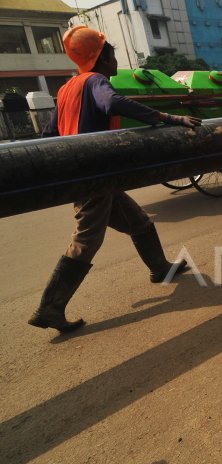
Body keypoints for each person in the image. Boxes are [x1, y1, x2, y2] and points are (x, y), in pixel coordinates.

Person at [31, 25, 200, 333]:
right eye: (111, 52)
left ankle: (160, 268)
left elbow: (49, 133)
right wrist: (167, 118)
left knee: (139, 221)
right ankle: (50, 307)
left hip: (91, 172)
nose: (114, 57)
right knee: (86, 239)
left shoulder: (69, 87)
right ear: (100, 57)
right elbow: (113, 103)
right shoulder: (96, 81)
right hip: (92, 174)